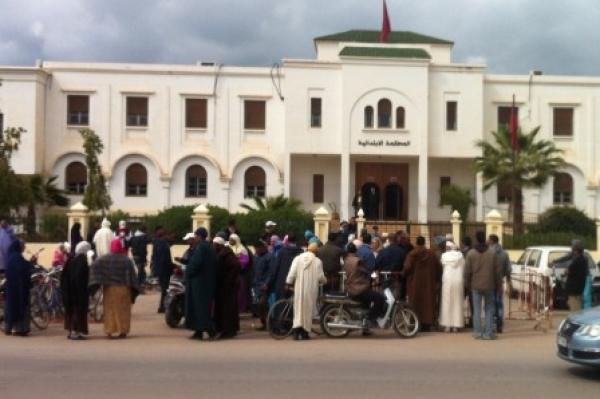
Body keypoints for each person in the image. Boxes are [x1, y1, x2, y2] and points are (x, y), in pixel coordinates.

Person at [89, 239, 139, 338]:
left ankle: (109, 331)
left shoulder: (104, 259)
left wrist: (98, 281)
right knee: (123, 311)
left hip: (109, 289)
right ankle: (123, 331)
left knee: (110, 310)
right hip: (124, 289)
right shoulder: (126, 260)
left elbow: (94, 266)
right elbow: (133, 275)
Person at [464, 231, 502, 340]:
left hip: (475, 285)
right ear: (485, 239)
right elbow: (497, 272)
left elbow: (467, 272)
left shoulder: (471, 253)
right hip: (490, 285)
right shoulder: (492, 253)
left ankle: (477, 332)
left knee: (476, 309)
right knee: (489, 309)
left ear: (476, 239)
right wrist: (499, 285)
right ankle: (488, 333)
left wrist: (467, 284)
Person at [286, 243, 326, 340]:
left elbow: (292, 273)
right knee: (308, 310)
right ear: (316, 251)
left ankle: (296, 333)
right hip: (311, 290)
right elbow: (321, 277)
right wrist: (325, 281)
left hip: (299, 289)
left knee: (298, 309)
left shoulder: (297, 258)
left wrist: (288, 282)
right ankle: (304, 334)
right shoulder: (317, 261)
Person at [402, 236, 442, 332]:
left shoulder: (412, 254)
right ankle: (427, 324)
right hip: (429, 283)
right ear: (424, 243)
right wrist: (436, 279)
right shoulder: (432, 254)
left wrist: (403, 274)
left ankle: (415, 323)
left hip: (414, 284)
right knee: (428, 303)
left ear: (416, 243)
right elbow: (439, 268)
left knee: (414, 302)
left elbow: (407, 268)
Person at [185, 228, 217, 340]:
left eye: (196, 236)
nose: (195, 238)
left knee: (199, 308)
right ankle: (198, 331)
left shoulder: (201, 248)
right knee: (201, 307)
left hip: (199, 283)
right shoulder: (209, 247)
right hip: (207, 282)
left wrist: (188, 272)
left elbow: (196, 264)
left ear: (199, 236)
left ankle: (210, 330)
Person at [344, 243, 385, 330]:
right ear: (355, 250)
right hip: (359, 288)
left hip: (351, 288)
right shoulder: (358, 261)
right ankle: (370, 318)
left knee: (366, 305)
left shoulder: (346, 260)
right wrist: (376, 278)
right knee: (380, 298)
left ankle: (365, 326)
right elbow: (368, 272)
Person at [4, 240, 35, 336]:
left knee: (11, 307)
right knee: (21, 307)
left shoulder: (12, 257)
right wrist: (32, 263)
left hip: (12, 288)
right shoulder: (17, 258)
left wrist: (30, 263)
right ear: (19, 247)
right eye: (23, 246)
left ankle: (9, 328)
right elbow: (24, 268)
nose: (24, 248)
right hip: (20, 288)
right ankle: (20, 329)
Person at [61, 241, 91, 340]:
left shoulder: (71, 258)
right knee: (77, 310)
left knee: (71, 310)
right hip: (78, 291)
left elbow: (64, 275)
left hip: (69, 290)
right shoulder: (82, 260)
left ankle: (72, 331)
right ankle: (75, 332)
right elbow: (80, 277)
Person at [213, 237, 240, 339]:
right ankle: (225, 329)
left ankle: (227, 330)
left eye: (214, 244)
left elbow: (236, 266)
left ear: (219, 245)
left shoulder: (226, 254)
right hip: (223, 285)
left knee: (227, 308)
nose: (213, 246)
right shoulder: (222, 253)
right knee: (224, 307)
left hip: (227, 286)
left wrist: (229, 279)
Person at [439, 241, 465, 332]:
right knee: (457, 302)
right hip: (458, 281)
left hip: (447, 281)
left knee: (447, 302)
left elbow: (442, 267)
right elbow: (463, 267)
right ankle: (456, 326)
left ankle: (447, 326)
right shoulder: (461, 256)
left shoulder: (444, 256)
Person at [488, 234, 511, 333]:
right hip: (500, 281)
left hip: (490, 281)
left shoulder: (488, 252)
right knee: (499, 304)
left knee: (491, 303)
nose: (487, 241)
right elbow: (508, 270)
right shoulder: (505, 253)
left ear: (492, 241)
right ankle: (500, 326)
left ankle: (492, 325)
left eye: (488, 239)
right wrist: (508, 281)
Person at [271, 233, 303, 300]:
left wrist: (271, 282)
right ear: (296, 241)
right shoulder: (301, 252)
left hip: (281, 282)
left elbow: (275, 268)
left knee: (281, 305)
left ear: (287, 241)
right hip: (295, 282)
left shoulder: (282, 252)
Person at [251, 240, 274, 330]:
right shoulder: (256, 257)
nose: (256, 250)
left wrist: (267, 283)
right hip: (256, 285)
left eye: (257, 248)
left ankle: (270, 323)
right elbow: (253, 271)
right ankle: (264, 323)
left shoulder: (270, 257)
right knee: (257, 305)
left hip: (265, 286)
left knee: (262, 304)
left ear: (262, 248)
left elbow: (272, 272)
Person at [152, 226, 173, 313]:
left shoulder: (157, 242)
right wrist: (172, 266)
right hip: (164, 270)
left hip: (160, 269)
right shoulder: (163, 244)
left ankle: (162, 306)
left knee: (164, 289)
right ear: (166, 235)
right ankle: (162, 306)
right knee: (165, 289)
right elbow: (164, 259)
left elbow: (155, 256)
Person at [228, 233, 250, 313]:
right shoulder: (228, 247)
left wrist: (236, 261)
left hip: (239, 274)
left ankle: (240, 309)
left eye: (232, 240)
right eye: (230, 239)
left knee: (240, 293)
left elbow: (245, 261)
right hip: (229, 274)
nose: (230, 241)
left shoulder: (242, 249)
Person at [565, 241, 589, 312]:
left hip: (573, 291)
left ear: (575, 250)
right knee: (577, 309)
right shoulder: (584, 259)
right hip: (579, 289)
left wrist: (567, 272)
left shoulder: (576, 261)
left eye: (572, 248)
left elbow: (568, 271)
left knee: (575, 312)